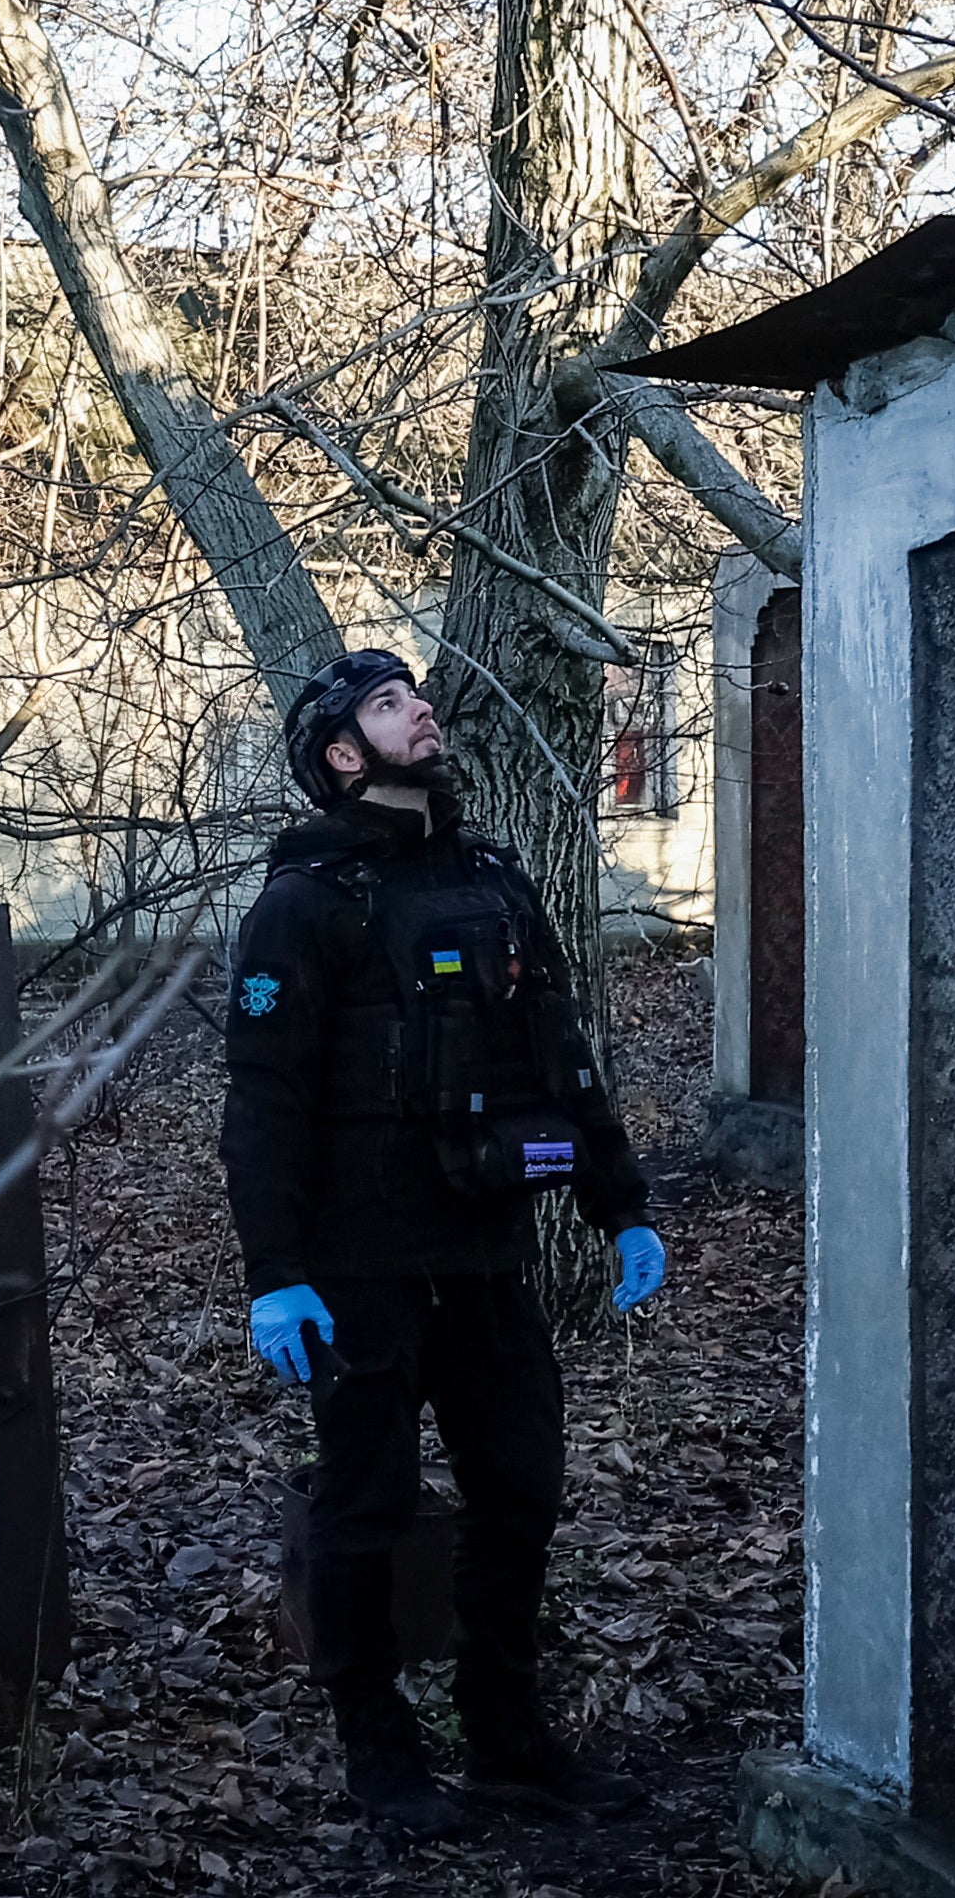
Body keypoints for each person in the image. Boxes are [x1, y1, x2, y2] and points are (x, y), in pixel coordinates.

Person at [220, 648, 667, 1838]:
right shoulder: (303, 904)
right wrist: (277, 1276)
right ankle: (381, 1753)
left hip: (487, 1257)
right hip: (360, 1271)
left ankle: (509, 1736)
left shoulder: (495, 880)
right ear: (341, 753)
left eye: (414, 692)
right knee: (364, 1509)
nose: (420, 707)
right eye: (386, 700)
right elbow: (261, 1103)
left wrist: (619, 1203)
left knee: (520, 1489)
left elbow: (563, 1055)